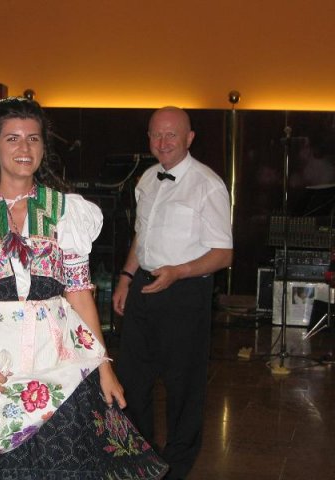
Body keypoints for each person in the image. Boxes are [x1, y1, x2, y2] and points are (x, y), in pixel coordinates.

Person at [0, 97, 167, 479]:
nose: (24, 148)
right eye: (12, 138)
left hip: (57, 357)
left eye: (33, 139)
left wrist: (103, 366)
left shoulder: (66, 211)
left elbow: (79, 293)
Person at [112, 107, 233, 479]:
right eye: (156, 134)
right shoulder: (147, 178)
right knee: (131, 379)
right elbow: (143, 235)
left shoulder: (208, 185)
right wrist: (126, 276)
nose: (163, 142)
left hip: (185, 292)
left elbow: (223, 254)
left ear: (189, 138)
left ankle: (177, 465)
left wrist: (178, 272)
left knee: (183, 385)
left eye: (172, 135)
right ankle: (141, 457)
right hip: (144, 285)